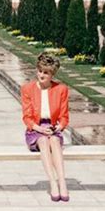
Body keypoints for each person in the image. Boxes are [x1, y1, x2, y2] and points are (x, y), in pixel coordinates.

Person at [21, 52, 70, 202]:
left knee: (54, 141)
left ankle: (62, 182)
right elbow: (27, 117)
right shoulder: (27, 89)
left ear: (52, 74)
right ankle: (52, 183)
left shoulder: (61, 89)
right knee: (43, 141)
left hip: (53, 127)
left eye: (46, 72)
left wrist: (58, 128)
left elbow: (64, 117)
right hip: (35, 129)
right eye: (40, 71)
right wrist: (39, 128)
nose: (41, 75)